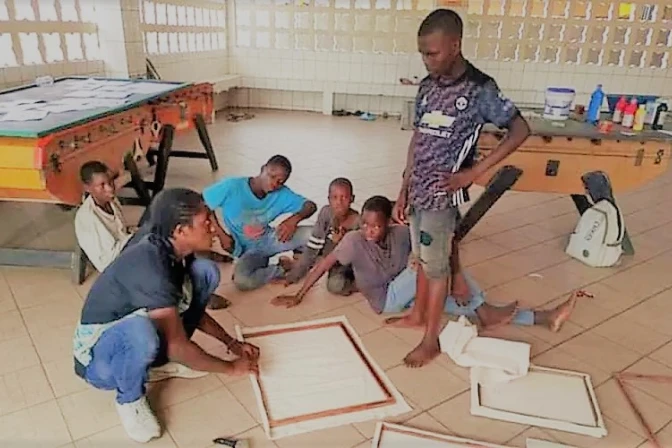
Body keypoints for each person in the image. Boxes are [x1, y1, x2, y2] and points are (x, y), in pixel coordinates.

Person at [392, 9, 531, 367]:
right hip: (417, 190)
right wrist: (404, 187)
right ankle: (418, 315)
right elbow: (418, 138)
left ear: (455, 45)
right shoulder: (427, 85)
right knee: (422, 259)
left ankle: (430, 341)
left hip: (441, 197)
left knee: (437, 268)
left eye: (433, 53)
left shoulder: (480, 89)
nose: (427, 60)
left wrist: (474, 173)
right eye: (422, 53)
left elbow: (520, 130)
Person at [73, 188, 260, 443]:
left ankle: (157, 364)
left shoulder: (175, 248)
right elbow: (175, 346)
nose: (213, 228)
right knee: (142, 334)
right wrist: (231, 368)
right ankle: (129, 399)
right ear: (181, 231)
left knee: (205, 272)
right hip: (99, 359)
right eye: (206, 222)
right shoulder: (151, 265)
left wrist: (231, 343)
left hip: (137, 325)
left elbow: (185, 306)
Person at [273, 196, 576, 333]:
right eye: (365, 224)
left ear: (389, 223)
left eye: (376, 226)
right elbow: (322, 264)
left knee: (459, 300)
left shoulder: (401, 234)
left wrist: (454, 277)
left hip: (411, 293)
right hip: (388, 300)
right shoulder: (353, 241)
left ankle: (542, 318)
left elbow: (447, 241)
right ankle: (486, 311)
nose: (369, 231)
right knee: (430, 265)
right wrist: (299, 295)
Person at [73, 161, 230, 309]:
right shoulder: (88, 219)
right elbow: (108, 262)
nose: (110, 188)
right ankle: (186, 288)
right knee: (164, 233)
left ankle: (193, 258)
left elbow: (122, 231)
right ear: (87, 188)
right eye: (102, 185)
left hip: (129, 245)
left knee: (164, 215)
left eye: (110, 182)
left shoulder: (110, 201)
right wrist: (139, 237)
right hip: (118, 262)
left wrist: (136, 233)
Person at [203, 155, 317, 291]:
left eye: (280, 182)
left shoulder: (281, 193)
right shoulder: (232, 186)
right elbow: (203, 203)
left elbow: (310, 206)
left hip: (270, 239)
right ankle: (283, 268)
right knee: (242, 280)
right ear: (263, 169)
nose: (274, 184)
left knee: (315, 233)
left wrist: (294, 220)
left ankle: (299, 257)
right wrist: (221, 234)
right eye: (272, 176)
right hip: (247, 251)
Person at [283, 178, 359, 295]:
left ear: (352, 199)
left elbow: (353, 257)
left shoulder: (357, 222)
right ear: (329, 199)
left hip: (347, 262)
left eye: (344, 197)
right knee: (306, 248)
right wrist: (294, 276)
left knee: (335, 286)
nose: (339, 202)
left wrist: (340, 243)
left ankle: (358, 284)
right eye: (334, 198)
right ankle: (305, 264)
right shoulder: (326, 213)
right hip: (330, 254)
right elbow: (313, 246)